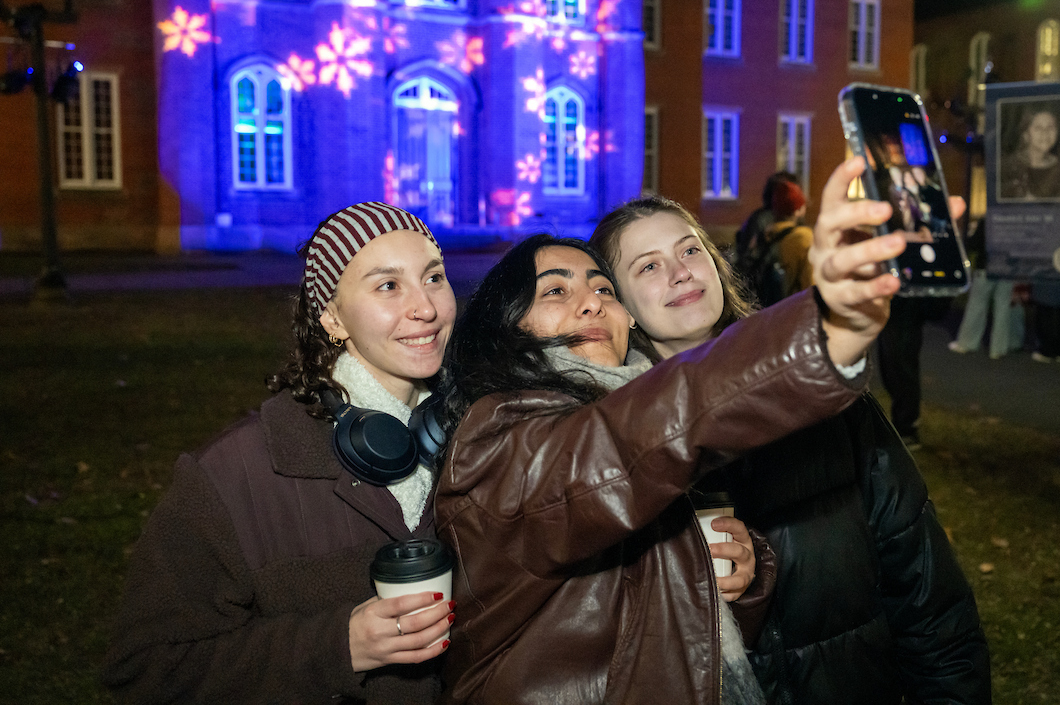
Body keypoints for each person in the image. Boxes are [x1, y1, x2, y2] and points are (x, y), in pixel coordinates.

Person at [434, 157, 901, 704]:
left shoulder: (640, 415)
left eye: (603, 288)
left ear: (627, 317)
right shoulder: (496, 437)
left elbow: (664, 645)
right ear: (508, 327)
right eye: (555, 292)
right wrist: (817, 332)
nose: (590, 301)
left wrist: (746, 576)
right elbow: (612, 449)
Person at [590, 185, 989, 705]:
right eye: (648, 266)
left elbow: (926, 591)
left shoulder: (825, 395)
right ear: (623, 307)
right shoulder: (613, 444)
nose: (681, 271)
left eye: (690, 249)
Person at [103, 203, 456, 704]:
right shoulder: (238, 472)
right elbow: (147, 669)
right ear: (332, 318)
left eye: (434, 277)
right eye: (387, 285)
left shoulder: (474, 442)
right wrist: (339, 646)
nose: (426, 307)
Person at [949, 216, 1017, 359]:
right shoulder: (1015, 219)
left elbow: (975, 243)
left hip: (986, 266)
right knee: (1002, 307)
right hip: (1008, 268)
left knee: (977, 305)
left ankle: (967, 343)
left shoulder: (988, 219)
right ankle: (998, 348)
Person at [999, 109, 1060, 200]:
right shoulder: (1007, 167)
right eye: (1038, 128)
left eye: (1050, 127)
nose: (1045, 132)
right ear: (1026, 135)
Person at [762, 179, 814, 299]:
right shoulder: (804, 237)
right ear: (798, 210)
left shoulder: (766, 235)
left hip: (768, 312)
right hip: (794, 311)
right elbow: (810, 284)